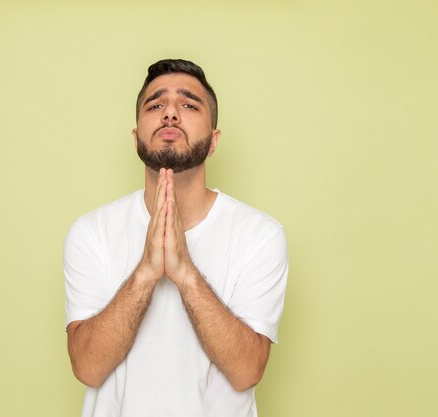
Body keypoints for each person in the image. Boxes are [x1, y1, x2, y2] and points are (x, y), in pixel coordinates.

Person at [64, 59, 288, 417]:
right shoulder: (91, 232)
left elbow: (247, 371)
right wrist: (146, 274)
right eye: (155, 105)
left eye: (188, 105)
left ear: (214, 141)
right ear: (136, 138)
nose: (170, 114)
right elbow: (87, 368)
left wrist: (185, 273)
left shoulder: (260, 235)